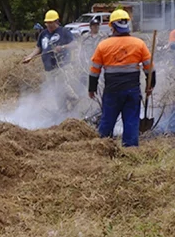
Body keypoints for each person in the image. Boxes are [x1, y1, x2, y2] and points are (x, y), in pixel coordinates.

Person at [88, 9, 155, 147]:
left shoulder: (103, 45)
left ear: (112, 26)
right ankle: (130, 149)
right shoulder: (139, 44)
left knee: (107, 120)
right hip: (132, 91)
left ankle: (102, 147)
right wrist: (151, 85)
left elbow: (94, 70)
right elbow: (149, 68)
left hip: (112, 91)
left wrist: (92, 88)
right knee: (131, 121)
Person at [23, 9, 77, 108]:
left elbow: (75, 44)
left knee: (62, 86)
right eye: (47, 23)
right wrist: (30, 56)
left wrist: (63, 47)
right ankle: (62, 109)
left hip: (62, 66)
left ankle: (74, 100)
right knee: (55, 90)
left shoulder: (64, 32)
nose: (48, 25)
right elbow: (39, 48)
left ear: (56, 21)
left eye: (51, 23)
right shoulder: (43, 34)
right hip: (49, 69)